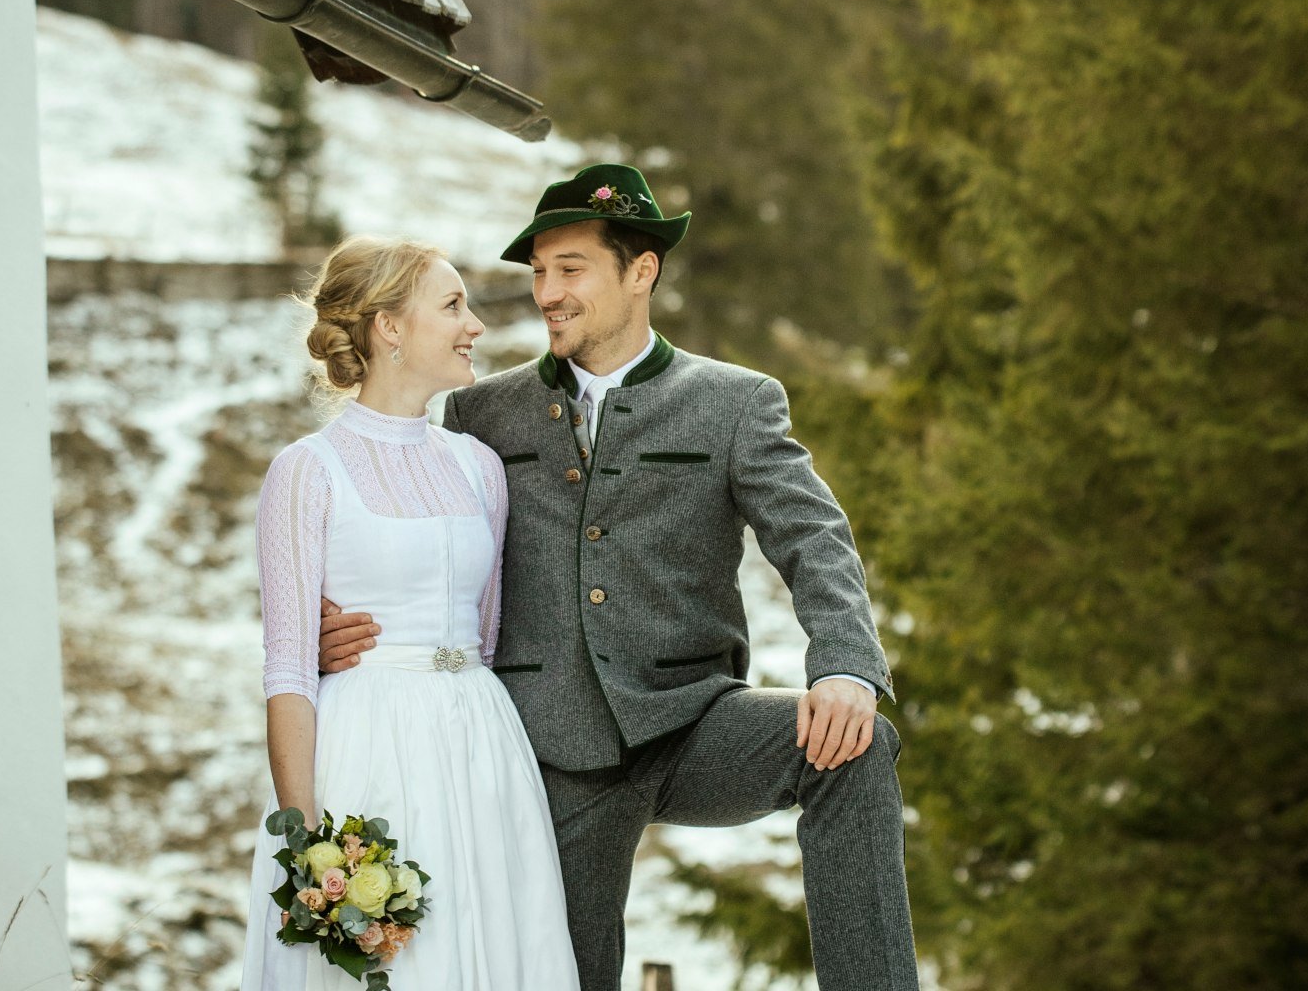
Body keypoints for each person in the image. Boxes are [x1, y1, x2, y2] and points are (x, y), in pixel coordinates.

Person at [315, 165, 920, 991]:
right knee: (566, 971)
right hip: (549, 747)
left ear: (642, 272)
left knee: (853, 749)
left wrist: (845, 664)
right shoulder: (481, 413)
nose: (547, 294)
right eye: (538, 273)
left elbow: (814, 538)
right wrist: (347, 622)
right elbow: (416, 533)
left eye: (571, 270)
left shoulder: (735, 403)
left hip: (692, 721)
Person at [241, 237, 579, 990]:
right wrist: (309, 847)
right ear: (389, 327)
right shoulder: (307, 472)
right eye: (453, 305)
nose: (475, 327)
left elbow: (483, 639)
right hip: (366, 751)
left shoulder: (477, 466)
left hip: (483, 749)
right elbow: (290, 670)